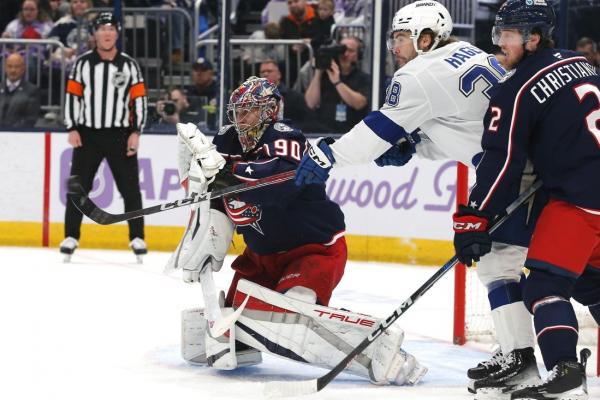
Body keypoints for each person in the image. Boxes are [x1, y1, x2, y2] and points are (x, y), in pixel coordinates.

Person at [295, 1, 546, 396]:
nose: (394, 47)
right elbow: (459, 125)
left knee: (500, 265)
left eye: (400, 37)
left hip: (513, 173)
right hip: (534, 163)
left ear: (425, 39)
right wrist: (416, 146)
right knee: (521, 263)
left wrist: (329, 155)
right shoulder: (468, 54)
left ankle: (521, 358)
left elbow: (375, 132)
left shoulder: (419, 72)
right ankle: (519, 353)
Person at [169, 76, 427, 385]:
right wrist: (207, 237)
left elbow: (277, 185)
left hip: (313, 249)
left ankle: (383, 355)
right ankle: (247, 342)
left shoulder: (285, 136)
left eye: (249, 111)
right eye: (237, 112)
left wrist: (226, 172)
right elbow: (214, 194)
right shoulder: (226, 140)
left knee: (292, 315)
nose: (241, 119)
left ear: (270, 111)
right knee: (241, 320)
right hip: (261, 255)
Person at [451, 1, 600, 398]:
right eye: (497, 33)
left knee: (544, 286)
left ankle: (564, 371)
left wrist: (475, 216)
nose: (499, 43)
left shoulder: (514, 88)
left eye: (508, 35)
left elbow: (502, 162)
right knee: (592, 283)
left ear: (533, 38)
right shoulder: (580, 61)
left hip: (580, 200)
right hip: (590, 186)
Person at [60, 12, 148, 262]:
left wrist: (136, 131)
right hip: (88, 135)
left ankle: (137, 236)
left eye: (111, 28)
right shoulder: (82, 64)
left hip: (121, 135)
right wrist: (72, 127)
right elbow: (72, 97)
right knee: (77, 187)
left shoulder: (129, 65)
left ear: (117, 33)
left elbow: (139, 100)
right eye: (102, 28)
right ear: (95, 34)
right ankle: (71, 236)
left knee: (131, 188)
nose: (107, 33)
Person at [304, 36, 370, 133]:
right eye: (342, 50)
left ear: (358, 55)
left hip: (351, 133)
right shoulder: (324, 76)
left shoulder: (364, 78)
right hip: (323, 131)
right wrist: (318, 73)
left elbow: (359, 104)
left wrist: (337, 82)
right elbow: (311, 103)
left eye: (350, 51)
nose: (345, 54)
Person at [259, 59, 315, 130]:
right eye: (262, 72)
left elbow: (309, 122)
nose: (265, 74)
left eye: (269, 71)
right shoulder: (254, 98)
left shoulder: (295, 97)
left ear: (279, 75)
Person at [0, 52, 41, 127]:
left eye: (17, 67)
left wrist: (12, 131)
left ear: (23, 69)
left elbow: (31, 119)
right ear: (5, 68)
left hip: (19, 134)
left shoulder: (32, 90)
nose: (13, 70)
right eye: (10, 66)